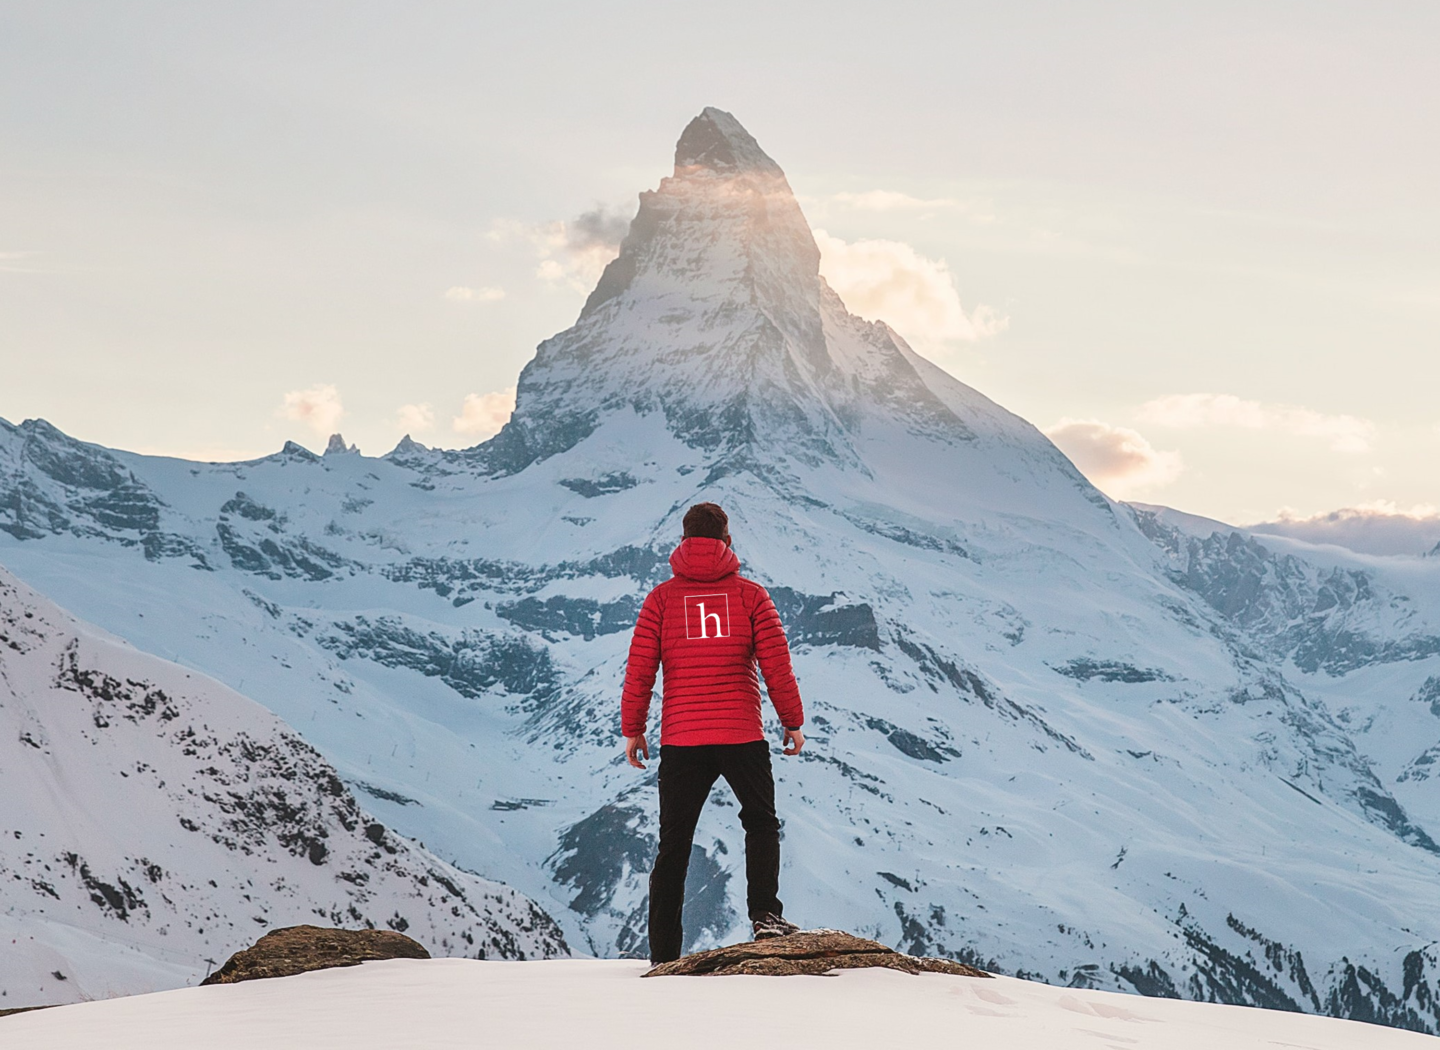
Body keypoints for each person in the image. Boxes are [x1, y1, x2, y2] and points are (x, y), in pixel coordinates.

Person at [622, 501, 807, 965]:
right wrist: (792, 721)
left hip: (682, 739)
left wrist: (634, 729)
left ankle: (664, 953)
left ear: (683, 541)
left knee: (674, 843)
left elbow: (640, 670)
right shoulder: (751, 596)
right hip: (741, 733)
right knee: (760, 822)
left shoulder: (660, 600)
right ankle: (765, 915)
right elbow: (776, 666)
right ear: (727, 540)